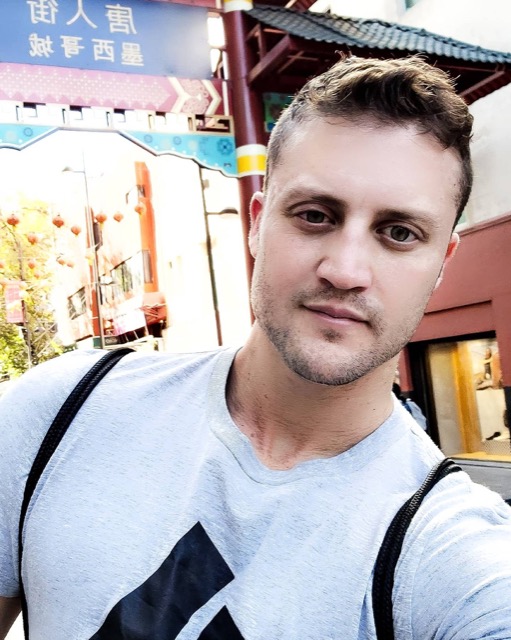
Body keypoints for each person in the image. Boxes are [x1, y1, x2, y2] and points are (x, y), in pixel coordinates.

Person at [1, 55, 511, 639]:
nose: (345, 270)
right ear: (257, 221)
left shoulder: (453, 553)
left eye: (399, 233)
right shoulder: (63, 412)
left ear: (442, 262)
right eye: (315, 216)